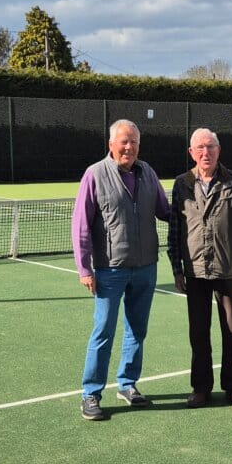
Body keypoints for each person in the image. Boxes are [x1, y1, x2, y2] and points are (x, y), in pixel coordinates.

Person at [72, 119, 170, 421]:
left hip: (145, 267)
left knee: (136, 330)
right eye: (124, 142)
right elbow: (81, 225)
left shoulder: (148, 173)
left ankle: (127, 384)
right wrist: (84, 268)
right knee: (103, 331)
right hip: (109, 270)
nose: (129, 147)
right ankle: (91, 393)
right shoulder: (95, 175)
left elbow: (165, 211)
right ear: (111, 144)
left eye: (135, 143)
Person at [167, 128, 232, 408]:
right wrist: (177, 270)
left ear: (219, 150)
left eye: (210, 147)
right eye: (200, 148)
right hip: (194, 271)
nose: (205, 153)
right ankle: (201, 388)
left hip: (229, 269)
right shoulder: (181, 183)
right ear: (191, 153)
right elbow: (174, 230)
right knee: (198, 333)